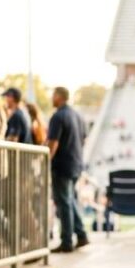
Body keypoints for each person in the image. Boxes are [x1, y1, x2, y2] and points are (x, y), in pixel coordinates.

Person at [47, 86, 89, 253]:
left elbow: (53, 143)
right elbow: (84, 138)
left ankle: (66, 241)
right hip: (76, 163)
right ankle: (81, 234)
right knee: (69, 200)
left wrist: (45, 160)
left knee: (64, 202)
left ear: (59, 96)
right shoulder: (78, 115)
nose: (52, 98)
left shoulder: (58, 116)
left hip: (62, 165)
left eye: (53, 95)